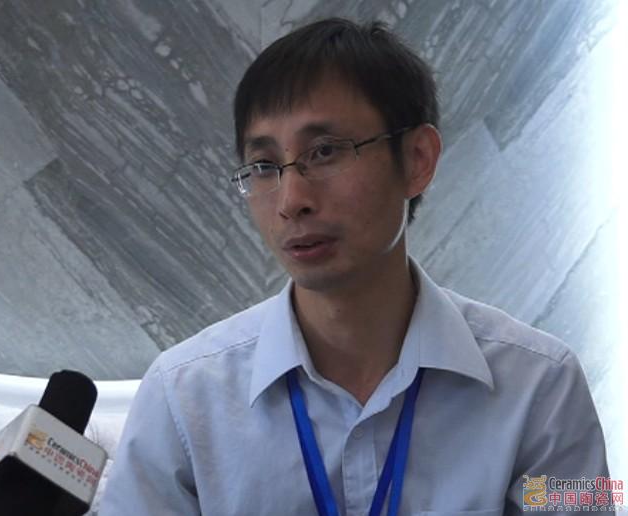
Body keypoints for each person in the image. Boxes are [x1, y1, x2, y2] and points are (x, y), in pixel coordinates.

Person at [100, 18, 611, 516]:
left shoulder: (541, 386)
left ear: (417, 159)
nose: (291, 201)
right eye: (264, 167)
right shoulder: (183, 397)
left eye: (324, 152)